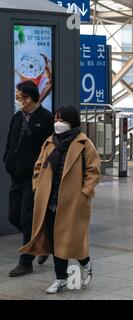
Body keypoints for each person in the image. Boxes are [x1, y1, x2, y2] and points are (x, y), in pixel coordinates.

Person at [19, 105, 101, 294]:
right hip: (49, 200)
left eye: (62, 120)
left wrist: (84, 193)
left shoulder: (84, 144)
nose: (58, 123)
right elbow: (38, 167)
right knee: (57, 242)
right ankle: (61, 279)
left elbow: (93, 171)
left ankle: (85, 262)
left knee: (69, 241)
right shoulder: (50, 142)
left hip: (73, 202)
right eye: (56, 120)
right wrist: (37, 186)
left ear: (71, 122)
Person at [3, 80, 53, 277]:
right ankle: (42, 240)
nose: (16, 101)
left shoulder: (46, 118)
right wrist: (7, 160)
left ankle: (26, 262)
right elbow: (10, 142)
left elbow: (50, 149)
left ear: (28, 99)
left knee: (26, 219)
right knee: (13, 217)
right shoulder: (17, 117)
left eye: (18, 98)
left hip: (34, 177)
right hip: (16, 173)